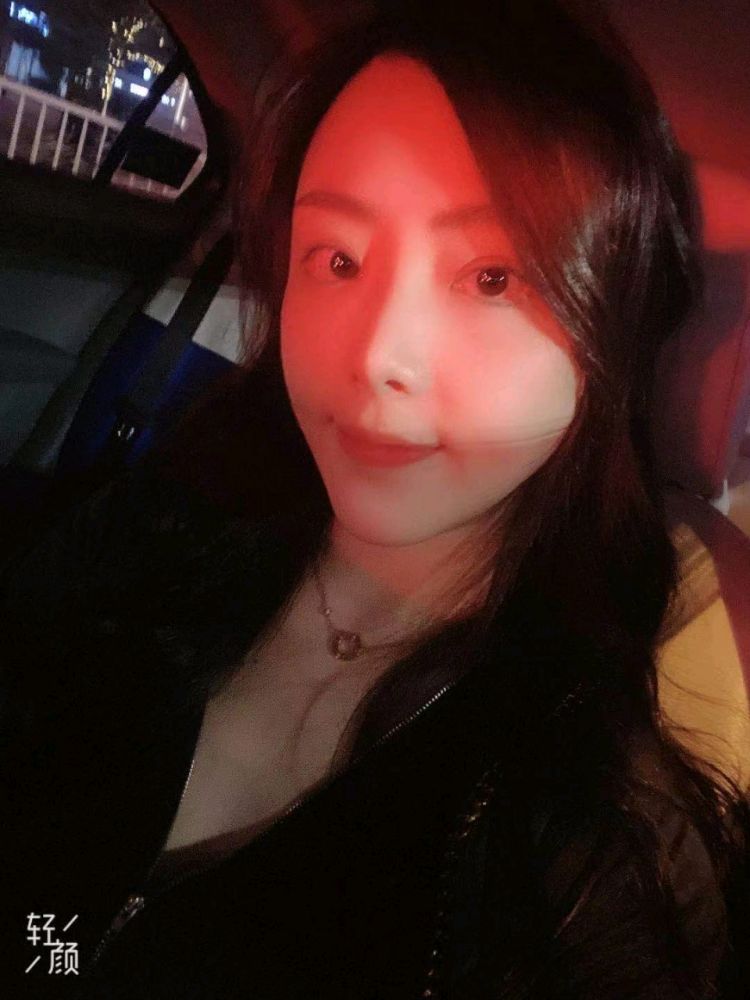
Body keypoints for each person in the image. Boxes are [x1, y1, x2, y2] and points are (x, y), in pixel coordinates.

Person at [1, 2, 749, 998]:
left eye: (493, 276)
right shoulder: (156, 518)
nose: (377, 354)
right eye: (339, 259)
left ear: (610, 330)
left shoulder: (586, 845)